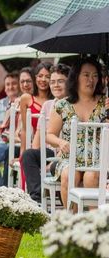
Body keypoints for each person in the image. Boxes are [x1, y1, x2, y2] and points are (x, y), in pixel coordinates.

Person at [46, 57, 107, 209]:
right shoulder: (62, 105)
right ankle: (70, 222)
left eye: (95, 76)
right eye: (86, 75)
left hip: (97, 160)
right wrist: (60, 142)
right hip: (69, 158)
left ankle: (95, 224)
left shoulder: (105, 103)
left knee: (91, 176)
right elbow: (49, 135)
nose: (91, 80)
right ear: (76, 77)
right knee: (68, 175)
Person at [21, 64, 69, 202]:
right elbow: (39, 134)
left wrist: (51, 163)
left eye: (60, 81)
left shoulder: (73, 104)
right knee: (29, 155)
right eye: (52, 82)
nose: (55, 85)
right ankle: (36, 198)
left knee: (51, 164)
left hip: (66, 153)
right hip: (50, 151)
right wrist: (36, 156)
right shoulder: (48, 105)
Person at [19, 62, 53, 156]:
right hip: (35, 147)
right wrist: (22, 153)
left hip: (53, 148)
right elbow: (25, 130)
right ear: (35, 78)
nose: (43, 79)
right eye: (40, 76)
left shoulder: (56, 100)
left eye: (47, 76)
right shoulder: (26, 99)